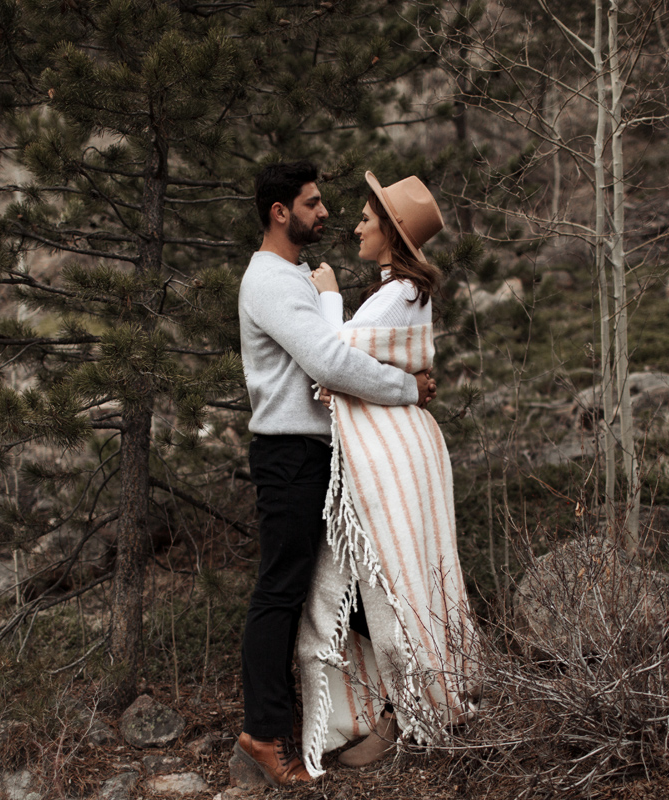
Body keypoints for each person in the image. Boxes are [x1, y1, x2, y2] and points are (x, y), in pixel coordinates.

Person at [235, 161, 437, 787]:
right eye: (313, 203)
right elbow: (327, 360)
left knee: (345, 590)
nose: (325, 213)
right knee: (282, 592)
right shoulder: (269, 280)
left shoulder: (293, 275)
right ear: (281, 212)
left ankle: (385, 707)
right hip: (289, 457)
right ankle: (263, 737)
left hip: (315, 454)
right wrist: (408, 388)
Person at [296, 172, 481, 777]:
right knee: (379, 577)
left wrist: (325, 295)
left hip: (393, 451)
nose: (355, 226)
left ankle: (411, 711)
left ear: (391, 233)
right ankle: (385, 709)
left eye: (367, 219)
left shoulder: (403, 291)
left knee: (393, 578)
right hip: (387, 445)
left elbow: (334, 357)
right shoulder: (395, 291)